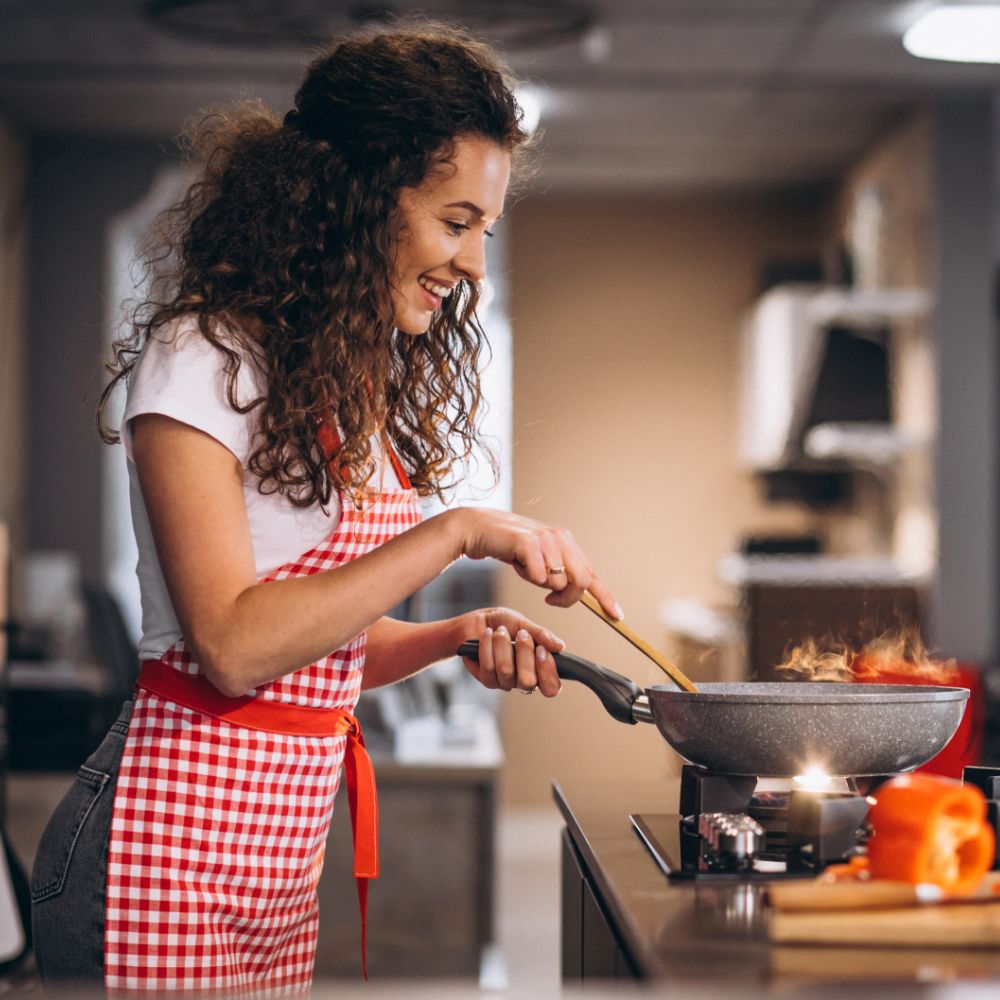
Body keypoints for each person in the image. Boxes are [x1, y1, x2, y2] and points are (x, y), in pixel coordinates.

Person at [29, 23, 620, 993]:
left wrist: (457, 633)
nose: (472, 263)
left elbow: (319, 648)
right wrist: (460, 530)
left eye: (486, 230)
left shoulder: (337, 384)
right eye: (455, 220)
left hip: (271, 870)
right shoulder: (204, 356)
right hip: (157, 850)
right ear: (356, 200)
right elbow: (231, 643)